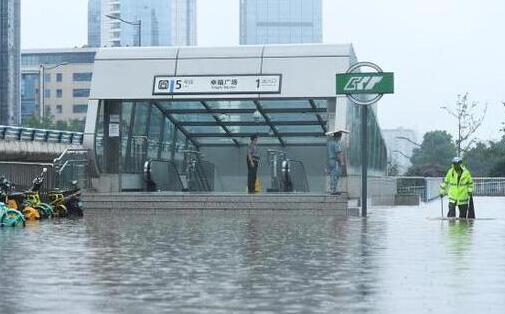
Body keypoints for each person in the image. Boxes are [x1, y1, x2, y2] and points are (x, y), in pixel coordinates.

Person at [326, 129, 348, 195]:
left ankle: (332, 189)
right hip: (335, 161)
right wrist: (342, 162)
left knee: (332, 174)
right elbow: (339, 153)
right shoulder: (336, 144)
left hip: (330, 160)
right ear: (339, 137)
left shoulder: (330, 143)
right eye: (340, 137)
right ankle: (333, 190)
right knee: (335, 175)